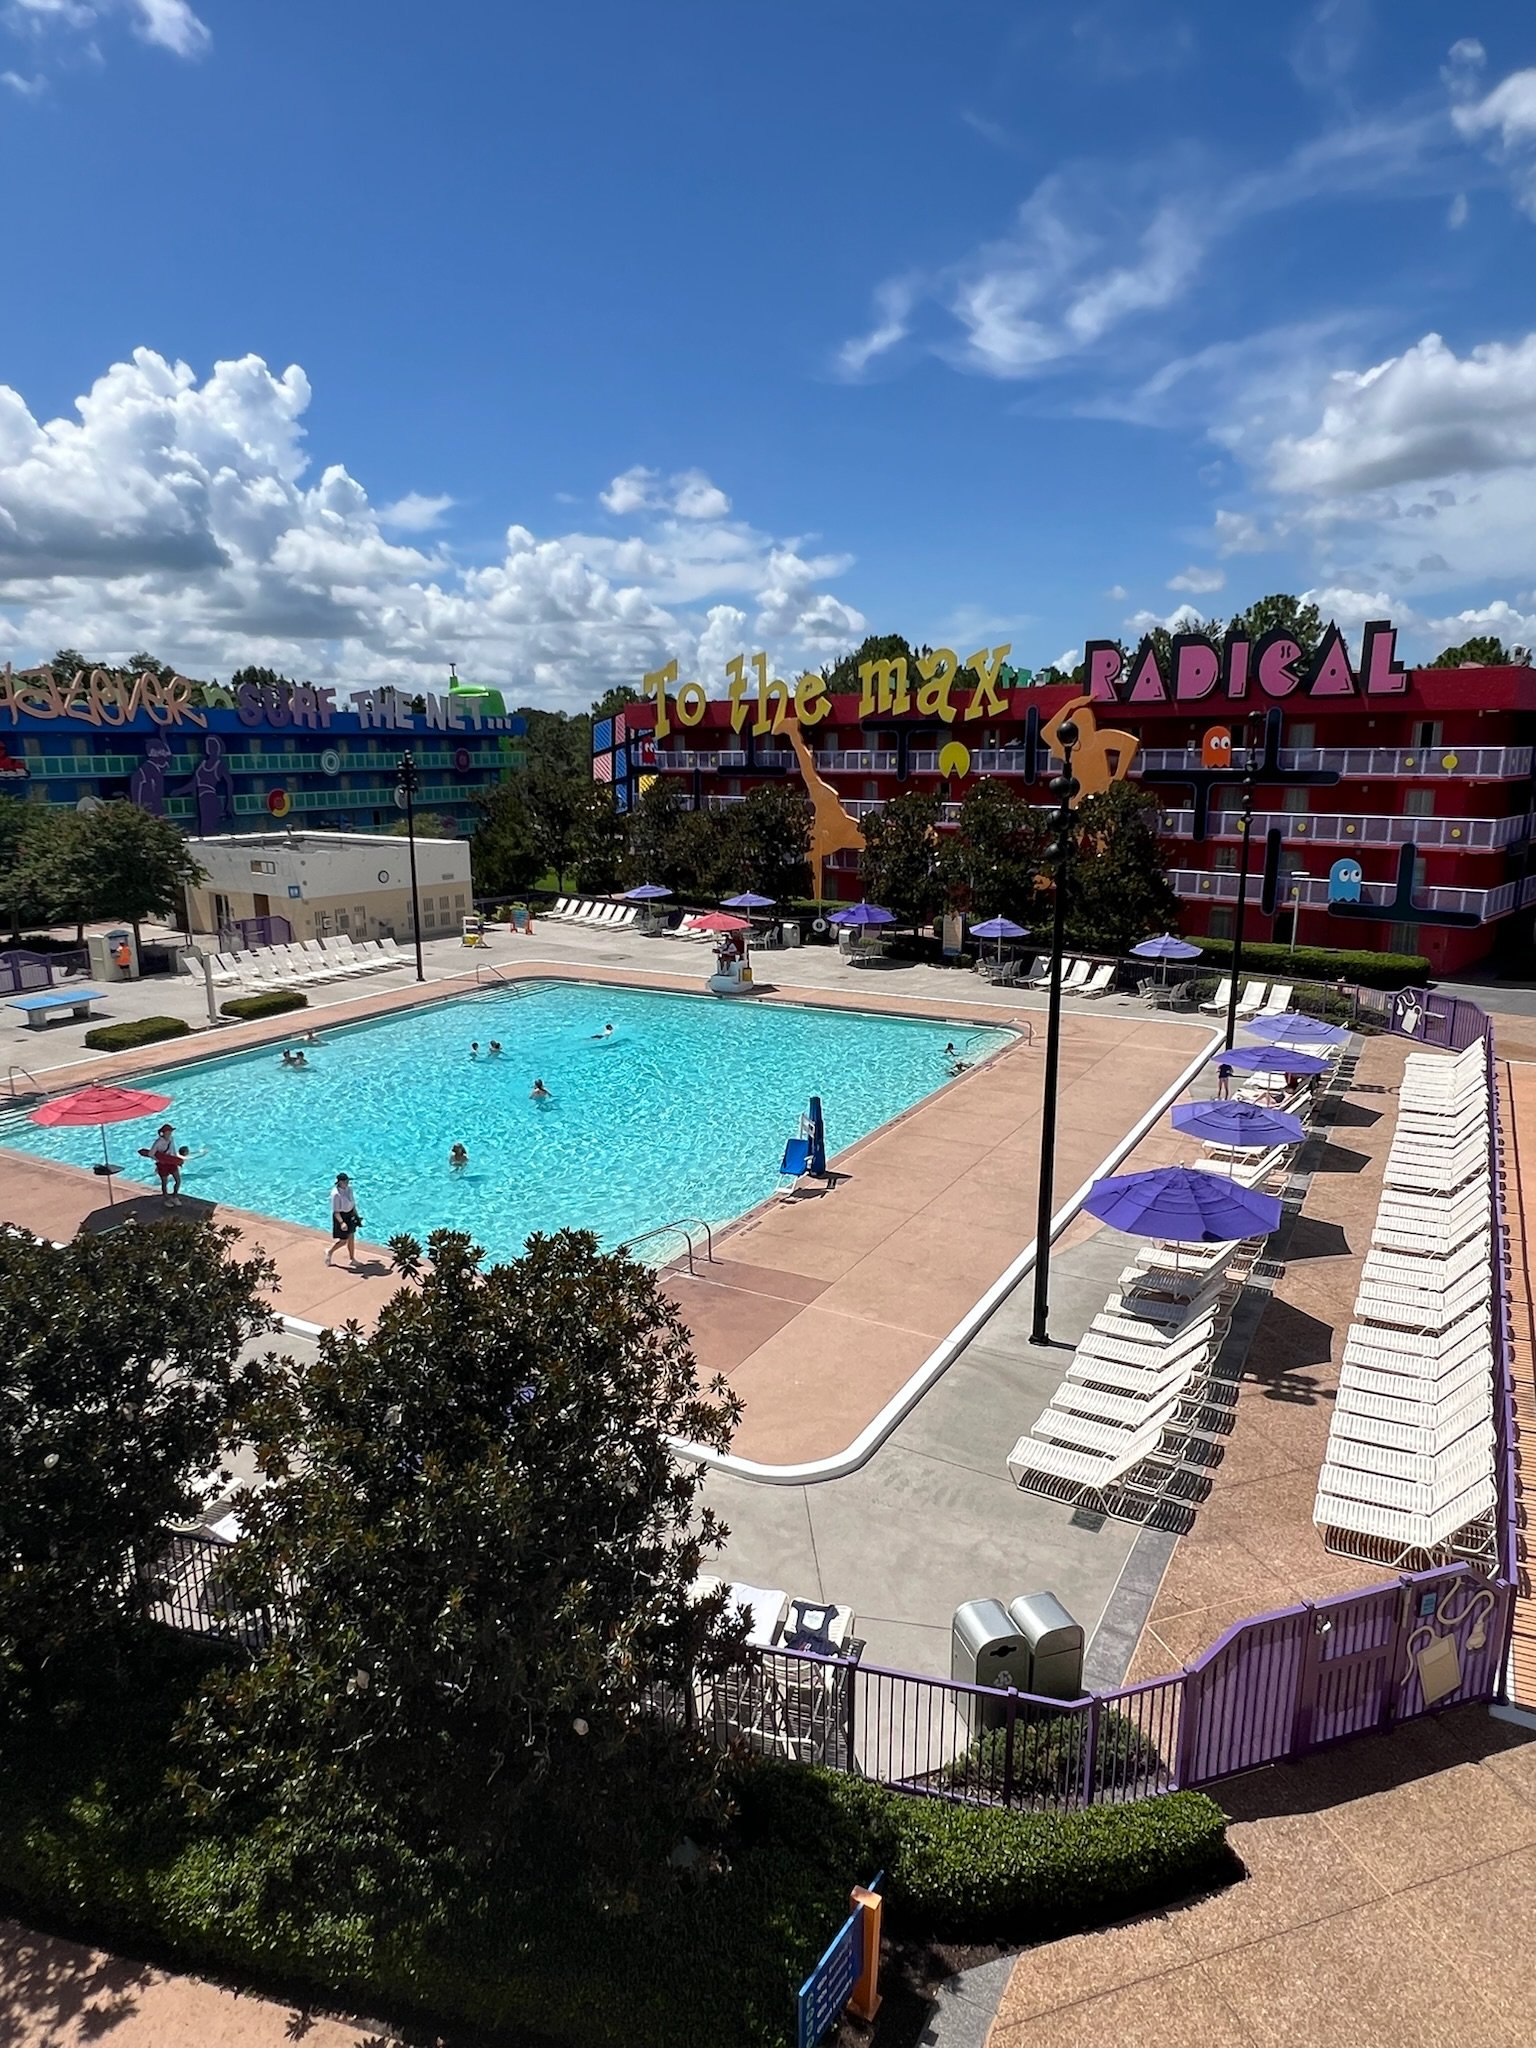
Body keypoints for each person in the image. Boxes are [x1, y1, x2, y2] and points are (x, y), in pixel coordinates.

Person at [140, 1122, 186, 1201]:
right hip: (162, 1164)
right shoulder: (158, 1142)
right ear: (163, 1133)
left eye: (170, 1132)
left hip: (171, 1162)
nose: (169, 1134)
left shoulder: (171, 1139)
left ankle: (175, 1196)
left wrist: (175, 1160)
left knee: (178, 1180)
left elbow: (173, 1150)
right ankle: (166, 1198)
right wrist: (159, 1160)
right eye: (167, 1132)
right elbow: (151, 1154)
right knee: (164, 1182)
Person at [326, 1172, 361, 1267]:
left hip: (350, 1214)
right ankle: (330, 1251)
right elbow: (336, 1211)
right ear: (340, 1182)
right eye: (346, 1181)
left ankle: (352, 1258)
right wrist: (342, 1223)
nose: (347, 1183)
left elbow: (352, 1204)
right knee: (343, 1241)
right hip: (341, 1216)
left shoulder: (349, 1189)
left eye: (348, 1181)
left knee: (351, 1237)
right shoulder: (336, 1194)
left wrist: (356, 1216)